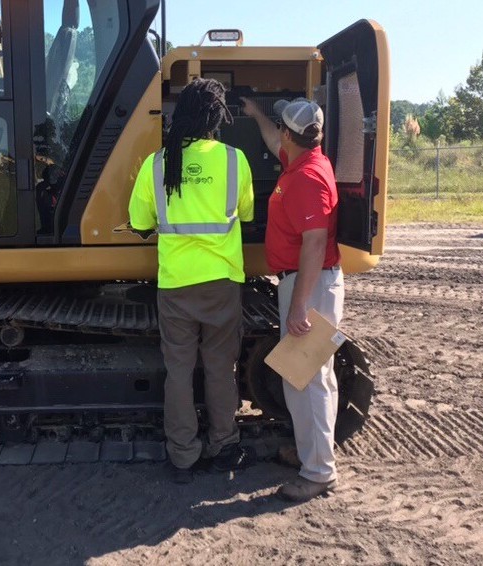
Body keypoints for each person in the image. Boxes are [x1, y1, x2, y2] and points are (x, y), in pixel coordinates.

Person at [129, 78, 256, 484]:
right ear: (218, 118)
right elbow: (247, 213)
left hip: (176, 285)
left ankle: (183, 455)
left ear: (177, 115)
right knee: (221, 368)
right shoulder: (236, 160)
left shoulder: (157, 164)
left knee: (179, 371)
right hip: (221, 282)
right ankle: (224, 444)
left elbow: (138, 222)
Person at [240, 95, 343, 501]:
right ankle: (314, 454)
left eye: (280, 127)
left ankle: (319, 472)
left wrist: (299, 305)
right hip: (306, 280)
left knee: (307, 380)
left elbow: (315, 244)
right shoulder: (303, 159)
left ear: (291, 133)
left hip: (309, 283)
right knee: (315, 377)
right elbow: (273, 142)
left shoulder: (306, 177)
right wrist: (255, 114)